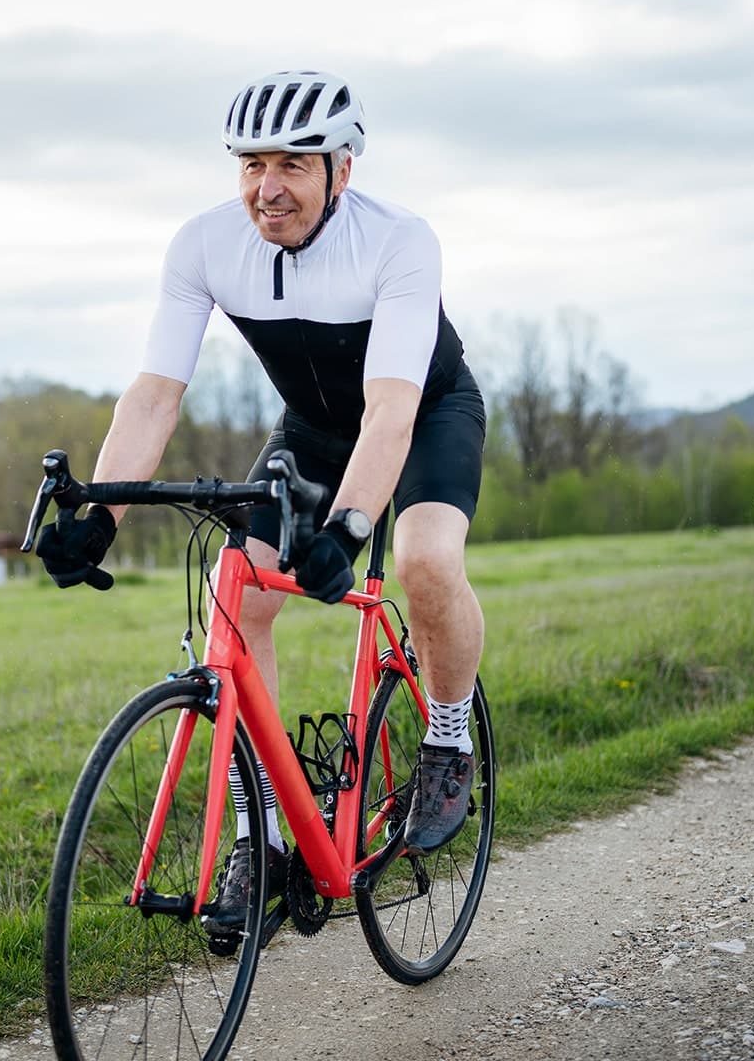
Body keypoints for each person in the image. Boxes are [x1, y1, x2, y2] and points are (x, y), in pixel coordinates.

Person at [36, 69, 487, 933]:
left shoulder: (399, 242)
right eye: (250, 165)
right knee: (239, 589)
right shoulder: (204, 245)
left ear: (341, 173)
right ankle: (265, 835)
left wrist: (352, 528)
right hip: (314, 429)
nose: (266, 189)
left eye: (291, 165)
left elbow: (390, 411)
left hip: (425, 414)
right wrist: (100, 516)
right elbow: (154, 395)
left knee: (426, 561)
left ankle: (447, 733)